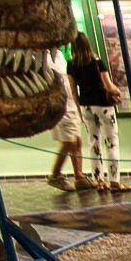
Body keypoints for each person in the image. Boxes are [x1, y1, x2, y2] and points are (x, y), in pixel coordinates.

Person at [67, 32, 130, 193]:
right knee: (111, 143)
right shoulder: (97, 63)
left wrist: (79, 110)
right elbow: (108, 86)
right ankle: (114, 181)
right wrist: (118, 91)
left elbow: (74, 91)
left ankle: (99, 180)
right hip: (103, 106)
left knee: (93, 143)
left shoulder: (71, 65)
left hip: (86, 106)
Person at [45, 48, 94, 192]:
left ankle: (79, 176)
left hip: (70, 101)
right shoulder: (40, 58)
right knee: (69, 141)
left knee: (76, 140)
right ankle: (55, 175)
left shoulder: (58, 54)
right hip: (59, 102)